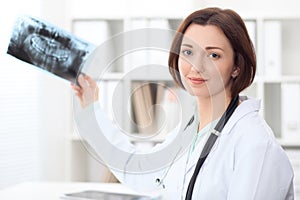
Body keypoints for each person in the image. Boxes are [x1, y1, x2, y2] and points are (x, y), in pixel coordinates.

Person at [71, 7, 294, 200]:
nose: (196, 66)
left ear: (236, 66)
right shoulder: (191, 131)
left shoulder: (254, 144)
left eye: (213, 55)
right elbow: (142, 174)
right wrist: (91, 110)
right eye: (188, 52)